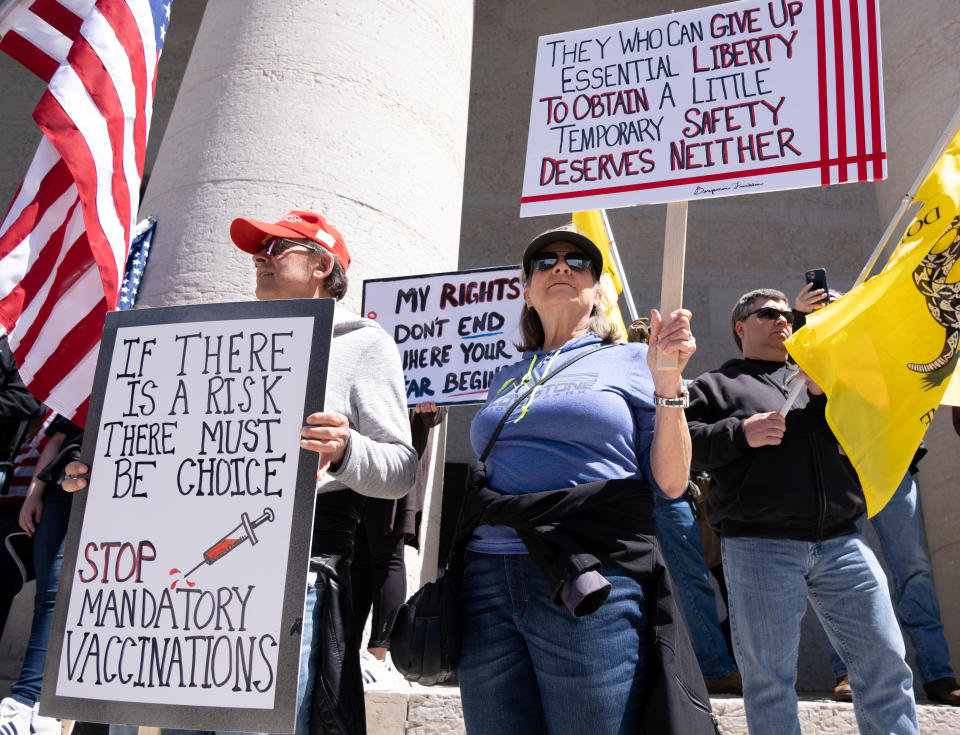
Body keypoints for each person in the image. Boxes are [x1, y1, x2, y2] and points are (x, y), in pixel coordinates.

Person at [62, 210, 417, 735]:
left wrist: (346, 450)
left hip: (289, 578)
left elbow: (401, 469)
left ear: (322, 266)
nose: (258, 259)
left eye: (276, 248)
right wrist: (106, 476)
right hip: (184, 579)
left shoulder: (362, 344)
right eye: (257, 250)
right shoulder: (209, 346)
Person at [458, 224, 716, 735]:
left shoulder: (636, 360)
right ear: (526, 292)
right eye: (545, 261)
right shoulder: (506, 374)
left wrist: (668, 383)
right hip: (487, 574)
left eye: (578, 263)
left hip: (589, 574)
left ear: (598, 292)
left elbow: (669, 482)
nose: (560, 266)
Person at [685, 287, 919, 735]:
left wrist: (834, 390)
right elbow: (682, 447)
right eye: (768, 313)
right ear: (740, 326)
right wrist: (740, 432)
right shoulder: (716, 384)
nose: (782, 321)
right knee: (769, 680)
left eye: (787, 315)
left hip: (842, 540)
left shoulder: (824, 377)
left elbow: (881, 421)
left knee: (886, 665)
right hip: (758, 545)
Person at [794, 282, 960, 705]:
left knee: (914, 569)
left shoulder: (879, 344)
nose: (832, 308)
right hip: (835, 470)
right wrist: (801, 317)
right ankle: (849, 672)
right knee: (835, 570)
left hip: (888, 465)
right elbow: (793, 377)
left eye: (838, 303)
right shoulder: (809, 346)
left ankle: (939, 674)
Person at [626, 318, 740, 695]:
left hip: (670, 490)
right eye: (638, 339)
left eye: (648, 340)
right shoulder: (618, 372)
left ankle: (715, 665)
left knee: (693, 580)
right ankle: (709, 665)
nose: (644, 345)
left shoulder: (682, 383)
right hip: (631, 488)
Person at [352, 401, 446, 685]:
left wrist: (428, 407)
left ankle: (379, 654)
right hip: (360, 459)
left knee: (387, 554)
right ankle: (346, 649)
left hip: (395, 459)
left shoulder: (425, 356)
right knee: (356, 558)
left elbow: (438, 408)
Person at [0, 414, 82, 735]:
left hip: (121, 484)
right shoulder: (86, 384)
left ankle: (39, 706)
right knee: (51, 593)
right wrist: (34, 494)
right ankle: (25, 704)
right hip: (63, 486)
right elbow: (58, 440)